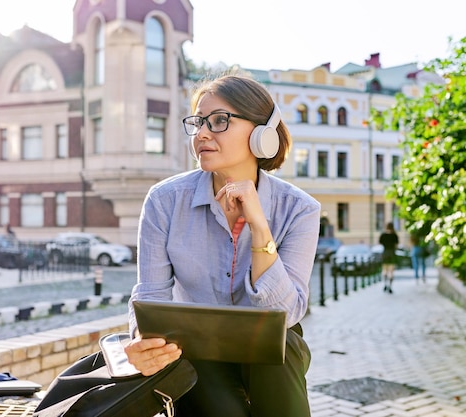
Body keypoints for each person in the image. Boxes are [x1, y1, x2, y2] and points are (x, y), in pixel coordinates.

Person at [124, 73, 320, 417]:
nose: (201, 134)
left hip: (272, 358)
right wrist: (144, 340)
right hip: (197, 353)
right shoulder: (165, 201)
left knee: (282, 343)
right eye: (198, 122)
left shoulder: (300, 209)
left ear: (262, 136)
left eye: (218, 121)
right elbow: (150, 296)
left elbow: (286, 314)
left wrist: (260, 227)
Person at [379, 222, 399, 293]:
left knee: (384, 270)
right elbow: (396, 245)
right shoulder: (394, 235)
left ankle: (385, 284)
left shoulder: (383, 235)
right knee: (391, 271)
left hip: (385, 253)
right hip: (392, 253)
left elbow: (380, 243)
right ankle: (390, 286)